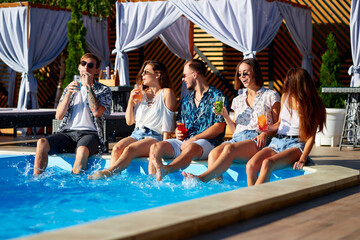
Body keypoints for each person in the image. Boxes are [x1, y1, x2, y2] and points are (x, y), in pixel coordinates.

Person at [182, 58, 280, 182]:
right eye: (239, 73)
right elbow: (235, 131)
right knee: (213, 154)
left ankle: (202, 178)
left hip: (257, 139)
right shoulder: (237, 100)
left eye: (245, 73)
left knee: (229, 148)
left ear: (255, 72)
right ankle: (216, 188)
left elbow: (278, 125)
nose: (242, 76)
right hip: (238, 138)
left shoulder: (271, 95)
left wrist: (265, 133)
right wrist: (225, 115)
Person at [88, 60, 177, 180]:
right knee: (116, 148)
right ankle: (113, 182)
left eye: (146, 72)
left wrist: (165, 145)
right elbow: (129, 121)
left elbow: (168, 121)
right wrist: (130, 101)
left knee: (130, 149)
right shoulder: (141, 94)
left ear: (157, 74)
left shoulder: (166, 93)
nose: (142, 75)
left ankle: (108, 172)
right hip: (137, 133)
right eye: (142, 73)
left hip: (154, 136)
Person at [149, 59, 228, 181]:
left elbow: (219, 126)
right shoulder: (186, 99)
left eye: (184, 75)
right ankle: (153, 181)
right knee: (155, 147)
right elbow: (180, 123)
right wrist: (178, 132)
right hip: (186, 141)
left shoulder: (218, 96)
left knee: (191, 147)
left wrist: (194, 139)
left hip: (209, 143)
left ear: (195, 75)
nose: (183, 79)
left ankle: (167, 169)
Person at [33, 53, 112, 175]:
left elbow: (97, 112)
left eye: (90, 65)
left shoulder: (103, 90)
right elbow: (58, 116)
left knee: (81, 151)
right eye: (83, 64)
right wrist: (68, 94)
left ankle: (74, 186)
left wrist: (89, 88)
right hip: (67, 133)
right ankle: (36, 179)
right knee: (42, 143)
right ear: (79, 67)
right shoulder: (70, 88)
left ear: (96, 70)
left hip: (90, 134)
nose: (86, 67)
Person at [246, 67, 326, 185]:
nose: (285, 82)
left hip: (295, 144)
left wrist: (303, 158)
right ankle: (252, 197)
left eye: (287, 80)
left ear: (296, 84)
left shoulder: (312, 105)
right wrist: (268, 129)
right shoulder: (285, 97)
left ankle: (255, 200)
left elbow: (310, 137)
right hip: (277, 140)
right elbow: (279, 123)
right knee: (250, 165)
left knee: (268, 163)